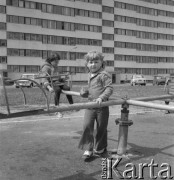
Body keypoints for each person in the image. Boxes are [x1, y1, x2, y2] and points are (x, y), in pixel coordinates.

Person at [78, 51, 113, 159]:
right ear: (87, 64)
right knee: (87, 126)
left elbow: (109, 88)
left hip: (101, 107)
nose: (93, 64)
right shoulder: (90, 75)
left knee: (101, 128)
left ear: (102, 63)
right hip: (90, 105)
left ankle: (100, 149)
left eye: (96, 62)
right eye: (90, 62)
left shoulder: (104, 75)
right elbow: (92, 89)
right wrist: (84, 92)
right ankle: (88, 149)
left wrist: (101, 97)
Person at [40, 53, 74, 118]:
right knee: (57, 90)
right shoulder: (46, 67)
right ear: (50, 60)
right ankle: (57, 110)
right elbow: (43, 79)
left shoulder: (56, 67)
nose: (57, 63)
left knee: (67, 88)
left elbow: (57, 78)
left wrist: (63, 79)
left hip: (57, 83)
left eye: (58, 62)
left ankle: (72, 105)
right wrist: (49, 87)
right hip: (49, 84)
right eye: (55, 62)